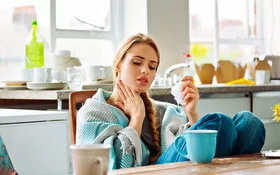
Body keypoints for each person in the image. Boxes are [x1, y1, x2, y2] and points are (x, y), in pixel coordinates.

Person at [76, 33, 265, 169]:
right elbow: (115, 166)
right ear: (118, 65)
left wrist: (191, 113)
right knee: (221, 122)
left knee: (250, 123)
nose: (145, 71)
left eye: (152, 66)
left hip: (181, 166)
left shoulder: (162, 110)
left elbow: (183, 145)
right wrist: (136, 118)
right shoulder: (93, 111)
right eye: (137, 62)